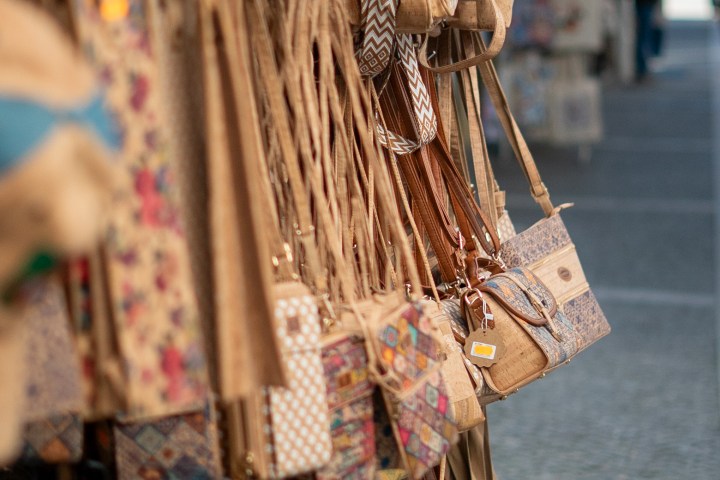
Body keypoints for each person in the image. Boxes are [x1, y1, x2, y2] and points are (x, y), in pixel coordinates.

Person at [635, 0, 661, 82]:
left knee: (645, 37)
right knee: (643, 38)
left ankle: (643, 69)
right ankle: (641, 69)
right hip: (643, 5)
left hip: (646, 5)